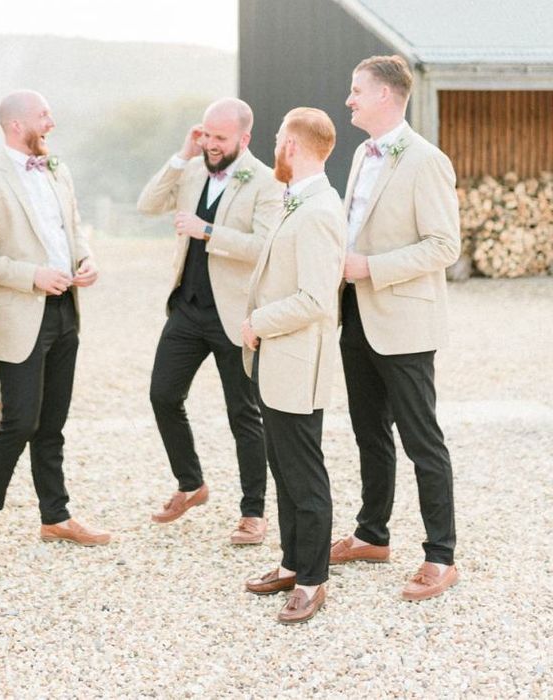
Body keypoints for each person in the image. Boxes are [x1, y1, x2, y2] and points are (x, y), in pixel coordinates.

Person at [0, 90, 109, 563]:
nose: (52, 121)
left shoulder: (57, 170)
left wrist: (86, 259)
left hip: (67, 310)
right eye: (43, 115)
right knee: (20, 421)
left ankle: (56, 517)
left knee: (54, 423)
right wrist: (32, 277)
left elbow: (73, 229)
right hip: (22, 315)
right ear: (14, 125)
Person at [333, 55, 461, 601]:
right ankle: (372, 534)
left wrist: (370, 268)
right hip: (356, 314)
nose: (349, 99)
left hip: (404, 320)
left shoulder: (426, 160)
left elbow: (444, 246)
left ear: (385, 95)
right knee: (368, 432)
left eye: (357, 90)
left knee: (421, 440)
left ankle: (440, 555)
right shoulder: (362, 156)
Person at [137, 98, 283, 544]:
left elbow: (265, 245)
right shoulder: (193, 167)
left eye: (220, 138)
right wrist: (182, 156)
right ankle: (191, 483)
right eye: (206, 134)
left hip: (234, 314)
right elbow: (147, 204)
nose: (211, 144)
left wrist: (208, 232)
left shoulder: (266, 181)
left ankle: (253, 512)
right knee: (162, 395)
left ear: (244, 138)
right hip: (187, 307)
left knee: (244, 413)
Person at [242, 108, 346, 623]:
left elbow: (316, 299)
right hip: (275, 360)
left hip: (298, 361)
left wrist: (258, 320)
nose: (274, 147)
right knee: (281, 466)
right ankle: (291, 560)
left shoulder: (321, 210)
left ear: (294, 147)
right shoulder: (296, 201)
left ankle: (313, 579)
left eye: (279, 139)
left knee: (305, 475)